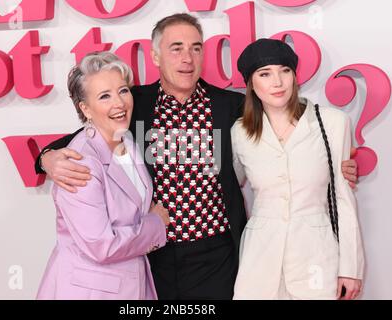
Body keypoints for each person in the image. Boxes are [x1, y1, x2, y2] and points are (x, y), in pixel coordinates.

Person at [35, 14, 359, 299]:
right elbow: (85, 135)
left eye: (196, 48)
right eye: (176, 48)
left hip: (215, 254)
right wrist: (46, 158)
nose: (187, 58)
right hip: (154, 254)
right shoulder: (134, 103)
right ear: (156, 56)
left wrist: (331, 163)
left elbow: (284, 127)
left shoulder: (230, 107)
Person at [231, 38, 364, 300]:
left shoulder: (333, 123)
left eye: (285, 71)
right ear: (251, 83)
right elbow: (227, 188)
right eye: (265, 74)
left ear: (295, 75)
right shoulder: (240, 131)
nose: (277, 82)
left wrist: (351, 268)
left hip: (316, 257)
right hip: (259, 260)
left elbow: (343, 200)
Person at [36, 52, 169, 300]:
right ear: (85, 108)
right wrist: (155, 223)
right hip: (92, 291)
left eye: (123, 91)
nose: (119, 103)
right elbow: (101, 245)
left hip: (132, 284)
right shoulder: (79, 162)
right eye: (104, 96)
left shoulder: (126, 139)